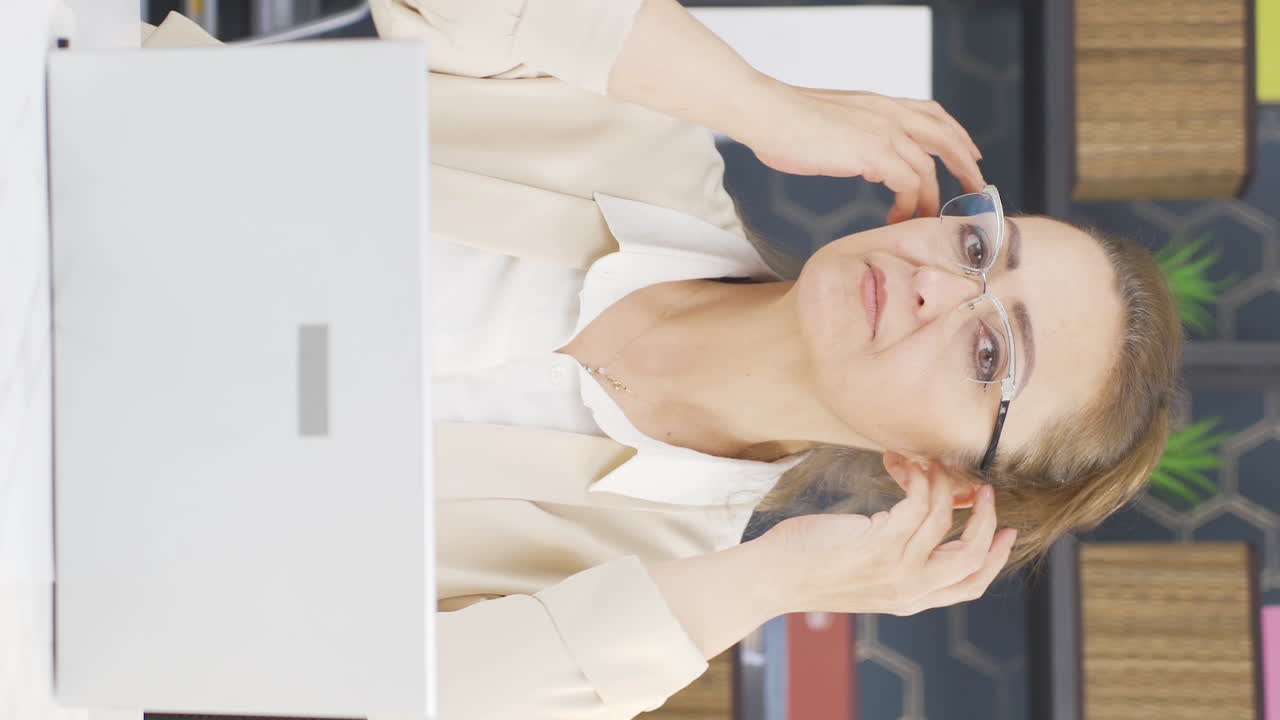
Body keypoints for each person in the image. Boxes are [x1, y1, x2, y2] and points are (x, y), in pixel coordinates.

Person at [143, 1, 1183, 717]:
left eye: (988, 349)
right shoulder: (642, 134)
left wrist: (771, 580)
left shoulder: (660, 595)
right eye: (977, 247)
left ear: (946, 480)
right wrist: (762, 104)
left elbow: (390, 696)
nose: (937, 283)